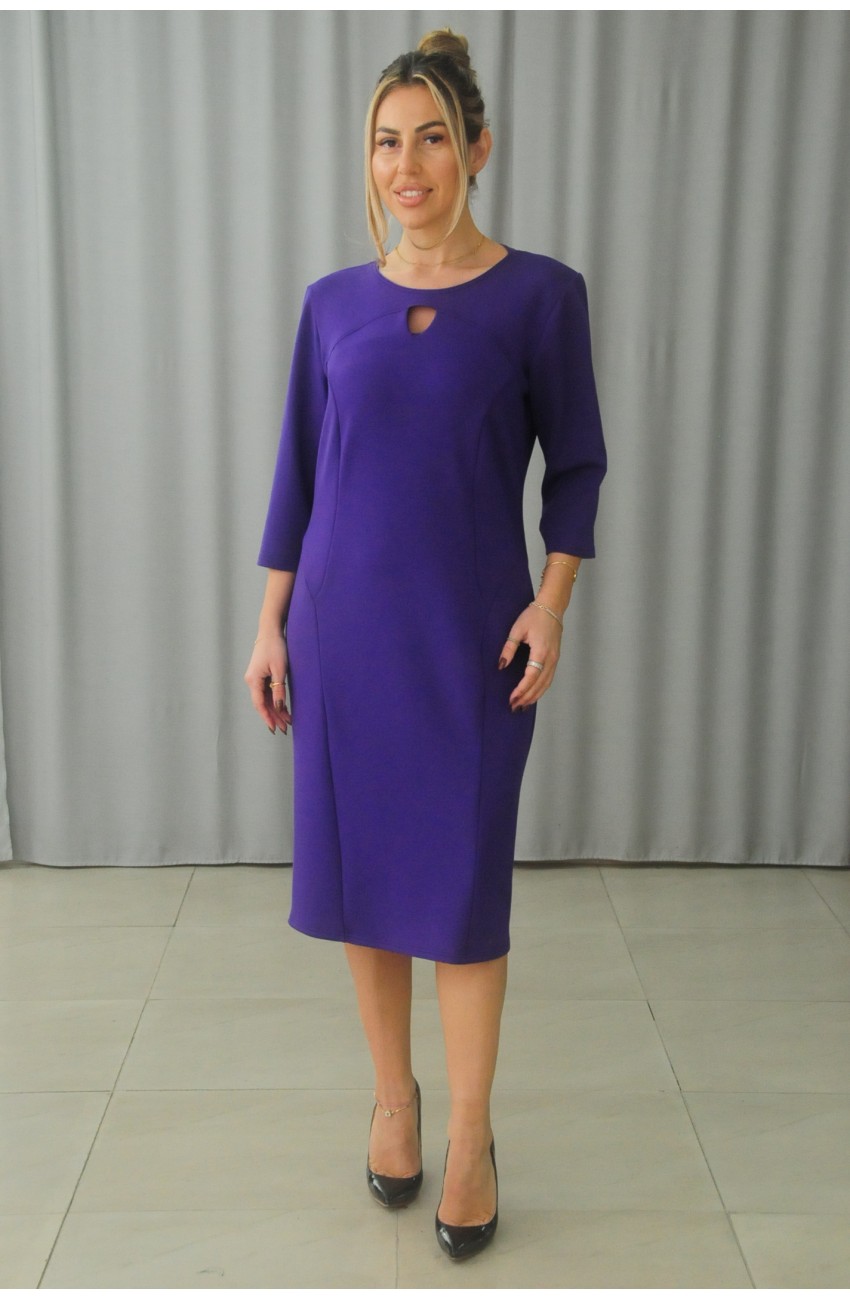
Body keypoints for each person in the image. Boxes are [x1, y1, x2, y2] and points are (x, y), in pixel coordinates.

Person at [244, 27, 607, 1262]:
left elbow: (578, 466)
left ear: (477, 149)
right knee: (363, 885)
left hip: (467, 643)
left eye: (432, 139)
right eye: (386, 143)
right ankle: (392, 1102)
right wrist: (269, 622)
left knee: (459, 892)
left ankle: (470, 1136)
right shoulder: (331, 306)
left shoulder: (539, 296)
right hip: (339, 635)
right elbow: (298, 474)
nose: (406, 166)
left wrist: (550, 602)